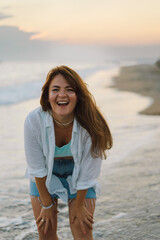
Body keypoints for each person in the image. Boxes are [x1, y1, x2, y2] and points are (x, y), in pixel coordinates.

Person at [24, 65, 113, 240]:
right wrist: (47, 206)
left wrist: (79, 205)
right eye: (55, 89)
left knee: (82, 231)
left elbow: (89, 172)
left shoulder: (91, 124)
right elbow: (37, 168)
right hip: (43, 176)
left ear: (78, 96)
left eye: (69, 89)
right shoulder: (34, 121)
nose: (62, 95)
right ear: (47, 96)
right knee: (46, 233)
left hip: (79, 174)